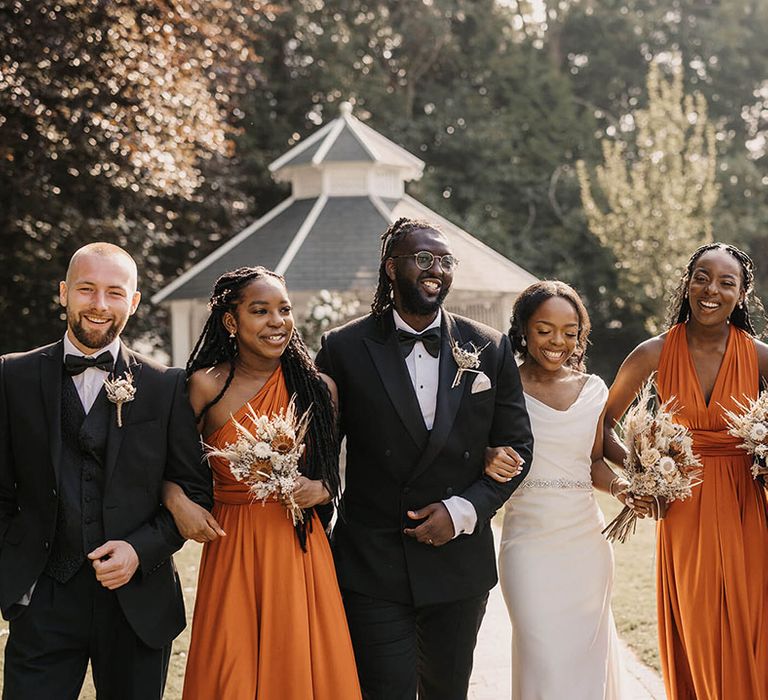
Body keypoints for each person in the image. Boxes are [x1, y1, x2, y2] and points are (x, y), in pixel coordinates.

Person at [315, 217, 534, 700]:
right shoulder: (343, 347)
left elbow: (518, 445)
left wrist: (461, 512)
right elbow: (321, 450)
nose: (437, 270)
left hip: (457, 563)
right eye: (424, 259)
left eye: (445, 261)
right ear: (391, 269)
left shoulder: (488, 345)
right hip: (373, 560)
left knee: (447, 691)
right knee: (384, 691)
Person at [0, 243, 212, 699]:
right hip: (43, 599)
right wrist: (17, 573)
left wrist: (139, 550)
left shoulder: (164, 385)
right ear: (63, 293)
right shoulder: (11, 376)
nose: (99, 305)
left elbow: (194, 492)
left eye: (114, 293)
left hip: (137, 602)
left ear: (133, 302)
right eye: (86, 289)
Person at [161, 266, 362, 699]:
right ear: (231, 322)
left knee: (299, 663)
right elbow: (168, 467)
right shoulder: (203, 387)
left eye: (284, 309)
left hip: (298, 548)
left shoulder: (318, 388)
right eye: (260, 310)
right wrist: (176, 499)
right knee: (232, 666)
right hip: (231, 544)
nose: (277, 321)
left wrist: (323, 487)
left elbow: (339, 468)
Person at [604, 243, 768, 699]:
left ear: (742, 294)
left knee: (752, 622)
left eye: (726, 282)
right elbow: (602, 426)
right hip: (685, 510)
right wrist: (646, 471)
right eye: (701, 276)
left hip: (746, 509)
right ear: (687, 283)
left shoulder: (758, 355)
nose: (711, 289)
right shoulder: (653, 353)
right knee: (697, 627)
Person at [484, 280, 640, 699]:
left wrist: (624, 488)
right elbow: (474, 450)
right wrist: (486, 456)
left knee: (585, 662)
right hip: (528, 545)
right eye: (544, 329)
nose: (558, 342)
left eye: (570, 332)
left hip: (585, 546)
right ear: (523, 330)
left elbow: (591, 463)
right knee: (543, 657)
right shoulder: (502, 389)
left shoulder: (593, 390)